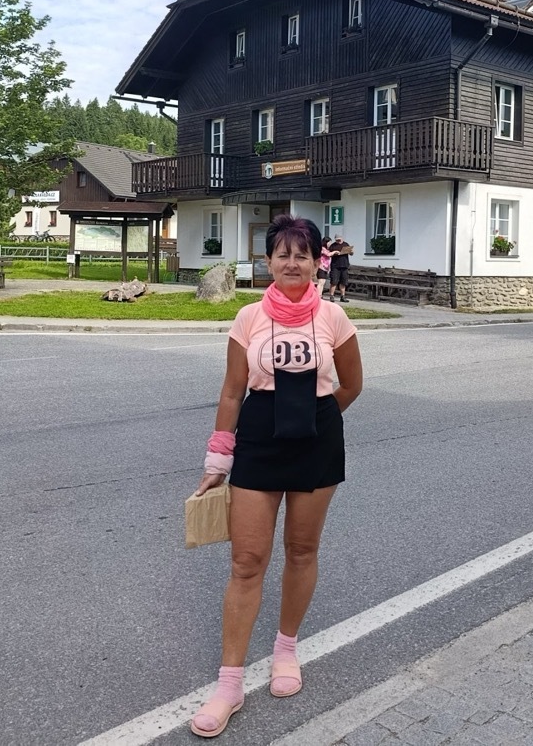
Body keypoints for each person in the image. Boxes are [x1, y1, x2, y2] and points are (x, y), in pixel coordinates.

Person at [189, 215, 364, 739]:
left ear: (317, 262)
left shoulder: (334, 317)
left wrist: (313, 419)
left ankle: (286, 650)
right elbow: (231, 391)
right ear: (268, 261)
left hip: (316, 439)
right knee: (247, 561)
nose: (292, 263)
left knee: (302, 550)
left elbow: (352, 385)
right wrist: (218, 461)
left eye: (302, 254)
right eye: (282, 254)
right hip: (259, 439)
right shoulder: (248, 318)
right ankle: (230, 683)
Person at [327, 234, 352, 303]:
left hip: (344, 265)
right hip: (335, 266)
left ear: (342, 238)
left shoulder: (346, 244)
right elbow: (328, 254)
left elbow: (351, 253)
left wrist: (351, 252)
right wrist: (334, 252)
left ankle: (342, 296)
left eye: (339, 240)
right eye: (337, 240)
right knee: (334, 281)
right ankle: (332, 296)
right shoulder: (333, 246)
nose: (338, 241)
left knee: (343, 282)